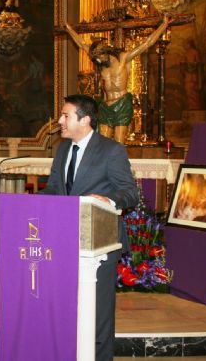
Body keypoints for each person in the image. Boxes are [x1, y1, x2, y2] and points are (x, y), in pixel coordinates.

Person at [40, 94, 139, 361]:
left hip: (100, 240)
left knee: (98, 313)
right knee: (68, 308)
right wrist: (30, 203)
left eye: (65, 115)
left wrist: (109, 199)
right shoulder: (62, 150)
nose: (60, 120)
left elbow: (130, 193)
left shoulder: (111, 150)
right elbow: (54, 189)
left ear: (84, 120)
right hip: (65, 240)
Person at [64, 15, 173, 144]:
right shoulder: (99, 61)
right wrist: (69, 29)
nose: (98, 61)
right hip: (106, 106)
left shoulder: (123, 58)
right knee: (102, 144)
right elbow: (82, 44)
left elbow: (146, 44)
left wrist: (164, 25)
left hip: (121, 104)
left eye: (99, 58)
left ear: (104, 52)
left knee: (118, 144)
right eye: (96, 59)